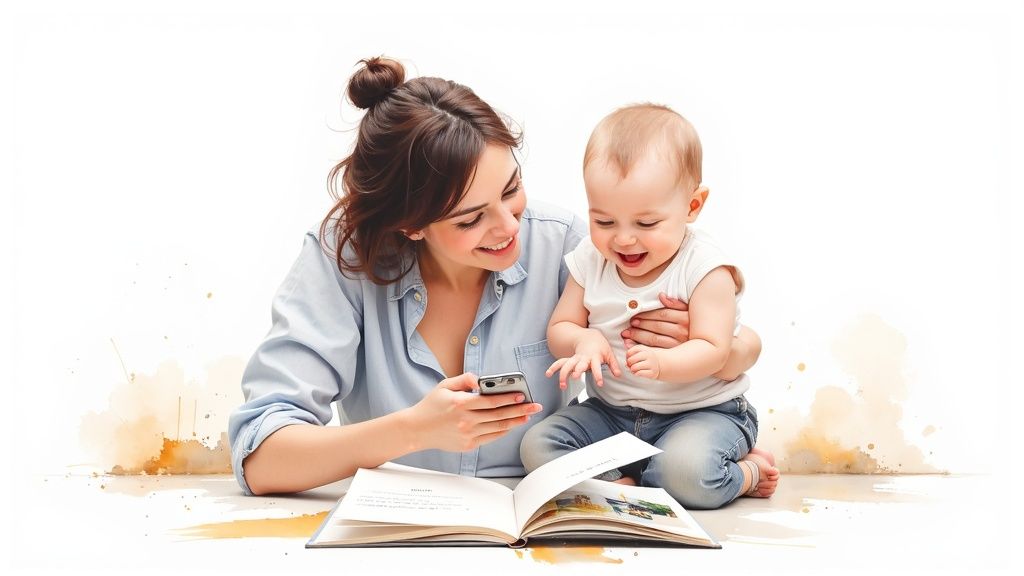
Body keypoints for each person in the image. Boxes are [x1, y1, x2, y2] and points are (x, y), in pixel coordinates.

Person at [227, 57, 763, 496]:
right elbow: (261, 459)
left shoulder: (569, 243)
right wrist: (412, 430)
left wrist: (712, 352)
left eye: (511, 189)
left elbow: (737, 341)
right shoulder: (343, 260)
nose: (510, 227)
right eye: (470, 219)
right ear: (410, 225)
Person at [520, 104, 779, 509]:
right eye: (605, 221)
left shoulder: (706, 268)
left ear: (692, 206)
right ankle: (628, 481)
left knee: (688, 474)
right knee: (538, 446)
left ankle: (747, 473)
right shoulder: (591, 258)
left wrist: (663, 364)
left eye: (646, 224)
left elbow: (715, 350)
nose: (623, 239)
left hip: (700, 412)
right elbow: (560, 328)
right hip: (611, 414)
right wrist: (583, 339)